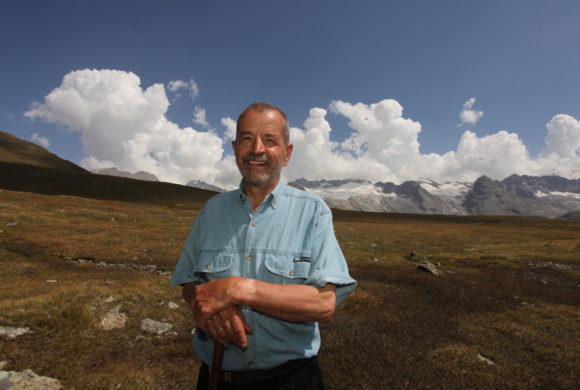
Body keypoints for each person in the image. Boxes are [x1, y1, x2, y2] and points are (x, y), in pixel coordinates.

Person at [170, 102, 356, 389]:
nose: (257, 149)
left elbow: (323, 304)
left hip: (292, 379)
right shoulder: (212, 211)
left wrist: (241, 289)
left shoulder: (312, 211)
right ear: (235, 147)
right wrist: (205, 306)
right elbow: (188, 282)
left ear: (287, 153)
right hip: (217, 378)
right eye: (246, 139)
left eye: (270, 140)